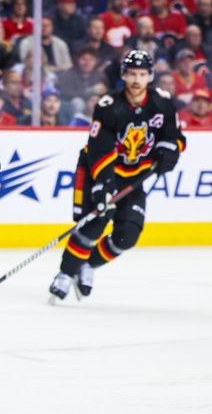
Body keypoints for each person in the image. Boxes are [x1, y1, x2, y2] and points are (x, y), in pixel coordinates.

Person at [48, 50, 186, 301]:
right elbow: (100, 150)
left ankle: (87, 266)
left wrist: (170, 150)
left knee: (128, 235)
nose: (136, 80)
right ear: (123, 75)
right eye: (132, 74)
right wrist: (103, 186)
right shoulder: (109, 106)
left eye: (142, 74)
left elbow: (175, 137)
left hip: (134, 180)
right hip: (98, 173)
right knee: (93, 225)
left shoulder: (163, 103)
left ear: (150, 76)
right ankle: (66, 274)